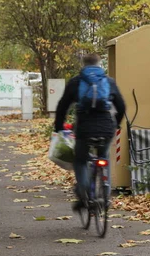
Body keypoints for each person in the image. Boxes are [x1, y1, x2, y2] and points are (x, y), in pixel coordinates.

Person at [53, 53, 125, 211]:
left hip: (84, 128)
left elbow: (62, 106)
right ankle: (105, 197)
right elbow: (121, 106)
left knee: (80, 160)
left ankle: (85, 195)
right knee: (104, 156)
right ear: (99, 64)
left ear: (83, 64)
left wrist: (58, 127)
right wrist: (116, 124)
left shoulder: (76, 82)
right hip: (106, 127)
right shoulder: (108, 81)